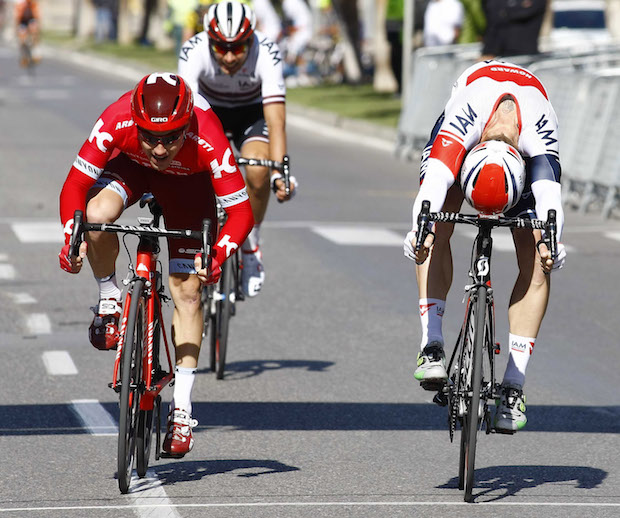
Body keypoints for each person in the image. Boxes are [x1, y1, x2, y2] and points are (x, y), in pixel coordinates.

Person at [58, 73, 254, 457]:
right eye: (150, 136)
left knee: (188, 292)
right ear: (135, 121)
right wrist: (71, 238)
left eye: (171, 138)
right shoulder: (117, 117)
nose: (161, 149)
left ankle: (181, 410)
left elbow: (241, 212)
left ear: (188, 126)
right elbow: (74, 187)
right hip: (133, 170)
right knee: (96, 216)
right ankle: (110, 300)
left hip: (190, 187)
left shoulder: (208, 133)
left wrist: (217, 255)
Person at [403, 60, 567, 433]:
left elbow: (549, 197)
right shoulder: (467, 112)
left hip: (521, 145)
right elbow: (433, 185)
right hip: (469, 139)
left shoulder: (538, 134)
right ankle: (431, 343)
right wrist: (418, 229)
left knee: (539, 255)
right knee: (434, 229)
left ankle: (514, 383)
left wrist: (554, 244)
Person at [178, 0, 297, 298]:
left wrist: (281, 170)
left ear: (250, 39)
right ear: (209, 40)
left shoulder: (267, 51)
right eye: (221, 47)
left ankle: (250, 242)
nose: (230, 56)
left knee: (258, 169)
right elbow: (187, 115)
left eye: (238, 48)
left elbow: (276, 118)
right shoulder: (193, 50)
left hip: (250, 113)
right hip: (208, 112)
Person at [481, 0, 546, 59]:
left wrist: (504, 13)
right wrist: (487, 51)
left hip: (524, 54)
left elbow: (523, 12)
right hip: (496, 53)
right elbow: (492, 22)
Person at [14, 0, 40, 65]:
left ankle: (35, 53)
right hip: (22, 21)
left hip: (31, 20)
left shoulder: (33, 4)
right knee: (22, 39)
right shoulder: (20, 4)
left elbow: (37, 16)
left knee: (34, 33)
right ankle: (24, 56)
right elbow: (17, 17)